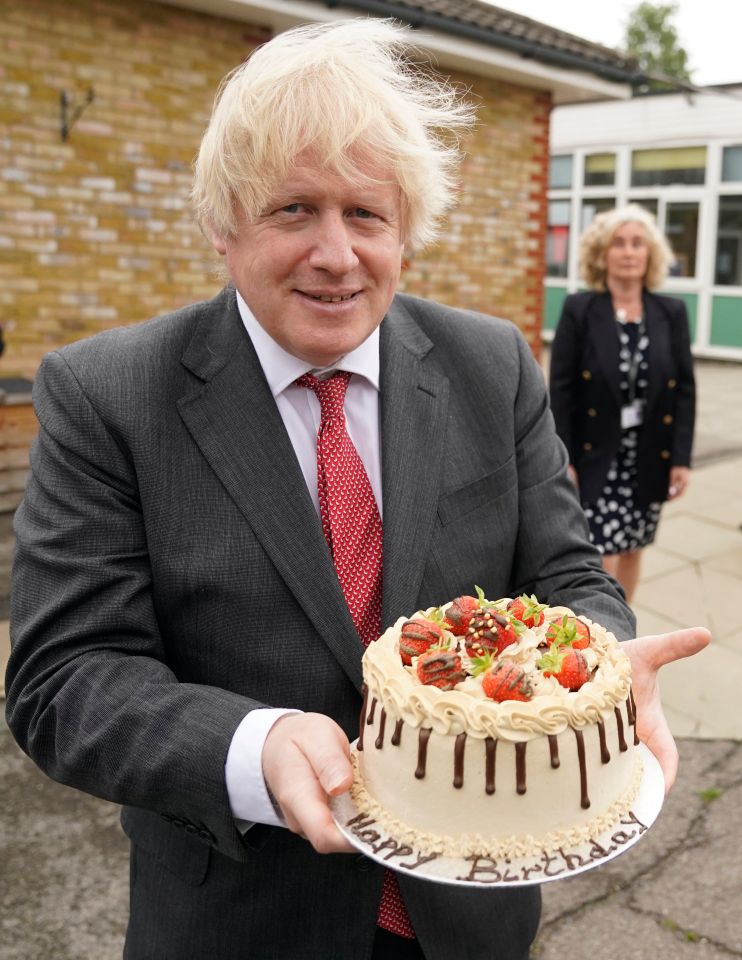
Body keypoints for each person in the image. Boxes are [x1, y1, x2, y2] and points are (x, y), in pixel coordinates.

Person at [5, 21, 709, 960]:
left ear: (405, 231)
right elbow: (64, 678)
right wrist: (251, 747)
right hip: (243, 920)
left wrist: (603, 673)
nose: (336, 254)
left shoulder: (490, 366)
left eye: (367, 215)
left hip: (473, 913)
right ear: (223, 225)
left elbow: (573, 581)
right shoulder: (109, 395)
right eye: (294, 209)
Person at [549, 204, 696, 603]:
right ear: (602, 254)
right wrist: (564, 457)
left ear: (650, 254)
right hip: (597, 453)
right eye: (619, 243)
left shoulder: (671, 312)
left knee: (633, 545)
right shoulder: (580, 309)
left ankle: (623, 627)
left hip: (649, 453)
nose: (629, 252)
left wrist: (681, 457)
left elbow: (683, 388)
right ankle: (604, 631)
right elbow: (560, 389)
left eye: (637, 243)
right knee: (602, 554)